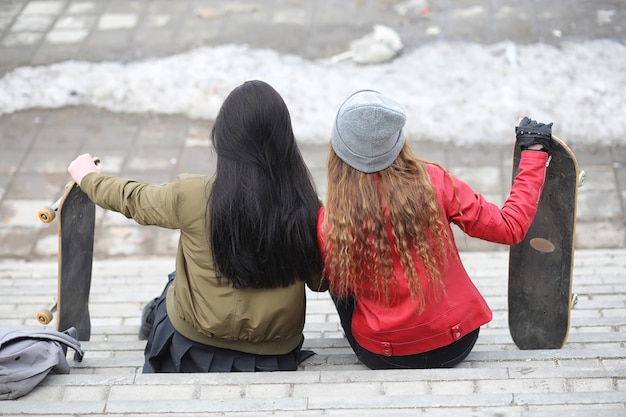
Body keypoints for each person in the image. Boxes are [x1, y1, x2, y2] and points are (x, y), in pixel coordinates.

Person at [67, 80, 328, 373]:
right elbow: (321, 282)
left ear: (224, 140)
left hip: (194, 343)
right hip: (274, 352)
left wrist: (89, 178)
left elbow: (135, 199)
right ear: (284, 141)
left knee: (175, 280)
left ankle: (149, 326)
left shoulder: (192, 195)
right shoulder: (306, 207)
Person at [317, 89, 551, 369]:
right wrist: (534, 153)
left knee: (337, 272)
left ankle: (375, 326)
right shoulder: (434, 183)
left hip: (383, 355)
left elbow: (339, 283)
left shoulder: (330, 220)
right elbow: (510, 228)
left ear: (338, 151)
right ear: (398, 142)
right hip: (455, 344)